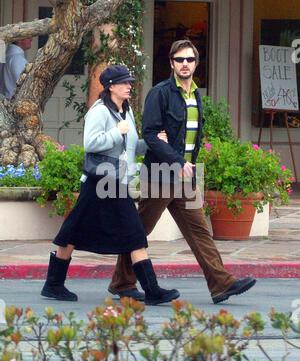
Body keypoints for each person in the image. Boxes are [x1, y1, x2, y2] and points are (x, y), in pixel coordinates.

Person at [108, 40, 256, 304]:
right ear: (171, 63)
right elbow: (151, 135)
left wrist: (190, 170)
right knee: (140, 230)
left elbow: (193, 138)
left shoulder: (196, 95)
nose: (184, 64)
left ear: (196, 63)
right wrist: (177, 161)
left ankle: (221, 283)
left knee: (200, 231)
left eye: (189, 59)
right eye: (179, 60)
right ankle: (122, 282)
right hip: (160, 173)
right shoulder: (160, 93)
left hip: (186, 176)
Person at [40, 64, 179, 305]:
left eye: (129, 82)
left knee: (74, 231)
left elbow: (130, 146)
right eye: (124, 82)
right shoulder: (99, 111)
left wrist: (151, 142)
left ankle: (53, 284)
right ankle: (152, 290)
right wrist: (116, 131)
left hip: (116, 180)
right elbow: (91, 143)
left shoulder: (126, 111)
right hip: (101, 180)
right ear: (111, 86)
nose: (129, 86)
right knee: (134, 232)